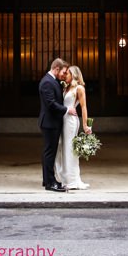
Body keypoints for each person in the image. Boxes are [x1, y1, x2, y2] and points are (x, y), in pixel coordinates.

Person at [38, 57, 77, 192]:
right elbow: (51, 104)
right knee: (50, 153)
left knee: (49, 152)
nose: (64, 75)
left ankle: (47, 179)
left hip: (51, 122)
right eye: (63, 72)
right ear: (56, 69)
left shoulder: (52, 81)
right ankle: (50, 183)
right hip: (49, 123)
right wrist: (67, 109)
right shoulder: (47, 82)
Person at [55, 65, 92, 191]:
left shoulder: (79, 88)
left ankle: (72, 180)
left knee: (70, 149)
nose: (65, 76)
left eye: (68, 74)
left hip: (71, 122)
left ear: (74, 74)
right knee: (63, 148)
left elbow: (83, 107)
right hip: (63, 120)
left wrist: (85, 125)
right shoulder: (66, 87)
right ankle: (65, 178)